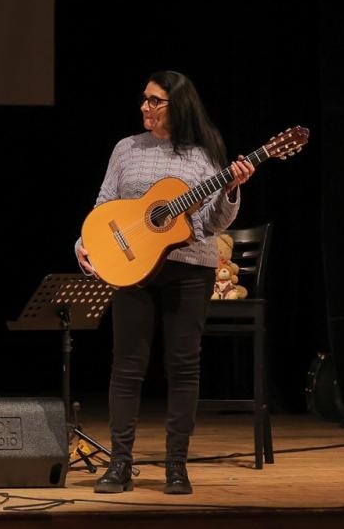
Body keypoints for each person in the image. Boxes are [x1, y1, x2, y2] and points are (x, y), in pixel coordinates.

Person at [74, 71, 256, 495]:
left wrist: (230, 190)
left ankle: (177, 466)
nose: (144, 107)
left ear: (178, 105)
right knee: (127, 367)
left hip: (190, 270)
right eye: (144, 99)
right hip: (133, 269)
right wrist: (85, 243)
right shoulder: (126, 149)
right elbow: (105, 204)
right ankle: (119, 464)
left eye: (154, 101)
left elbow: (212, 223)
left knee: (183, 367)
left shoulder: (205, 154)